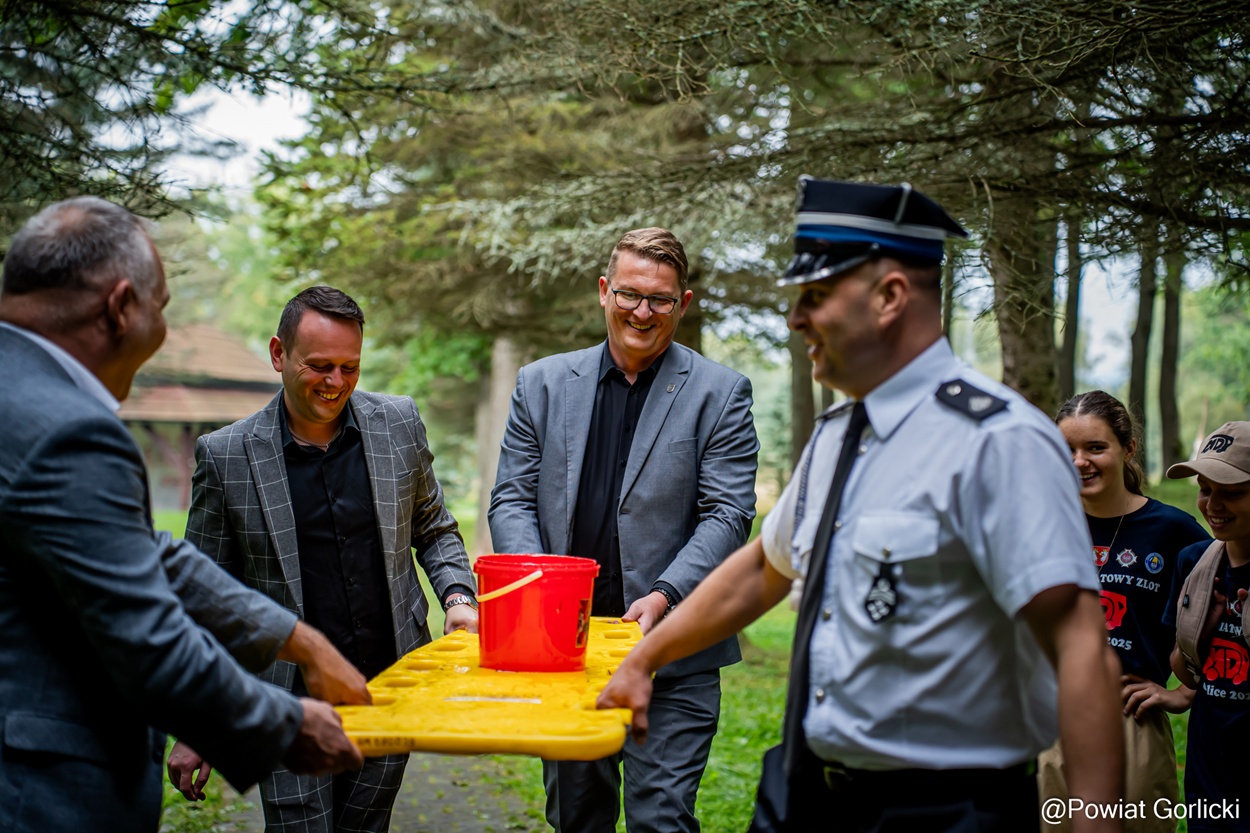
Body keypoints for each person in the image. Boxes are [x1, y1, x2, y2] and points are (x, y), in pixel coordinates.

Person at [596, 179, 1124, 833]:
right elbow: (763, 568)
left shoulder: (999, 441)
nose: (795, 319)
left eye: (815, 296)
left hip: (944, 813)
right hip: (811, 794)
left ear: (890, 297)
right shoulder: (839, 435)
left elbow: (1081, 648)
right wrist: (645, 658)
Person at [0, 197, 366, 832]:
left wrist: (296, 638)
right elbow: (147, 635)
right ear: (121, 307)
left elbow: (140, 549)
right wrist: (285, 722)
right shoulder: (63, 429)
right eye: (162, 308)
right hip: (34, 796)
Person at [165, 286, 479, 832]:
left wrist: (457, 597)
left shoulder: (400, 424)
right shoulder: (225, 455)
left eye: (349, 367)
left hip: (390, 687)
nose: (336, 382)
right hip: (285, 699)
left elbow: (433, 527)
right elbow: (202, 592)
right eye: (319, 366)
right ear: (278, 354)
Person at [489, 227, 759, 833]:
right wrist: (542, 588)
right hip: (567, 654)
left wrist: (665, 595)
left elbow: (728, 514)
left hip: (675, 655)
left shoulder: (721, 394)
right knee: (576, 819)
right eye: (630, 294)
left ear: (682, 304)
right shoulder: (541, 383)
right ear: (604, 291)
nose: (642, 312)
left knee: (661, 820)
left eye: (659, 299)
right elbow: (511, 498)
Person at [1039, 391, 1209, 832]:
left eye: (1095, 447)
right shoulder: (1041, 523)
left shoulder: (1174, 531)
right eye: (1066, 450)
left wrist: (1187, 692)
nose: (1079, 462)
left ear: (1128, 448)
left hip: (1130, 719)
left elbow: (1229, 609)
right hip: (1046, 719)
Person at [1164, 422, 1250, 833]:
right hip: (1209, 769)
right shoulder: (1195, 563)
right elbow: (1186, 670)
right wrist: (1200, 635)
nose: (1213, 504)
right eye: (1204, 488)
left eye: (1232, 492)